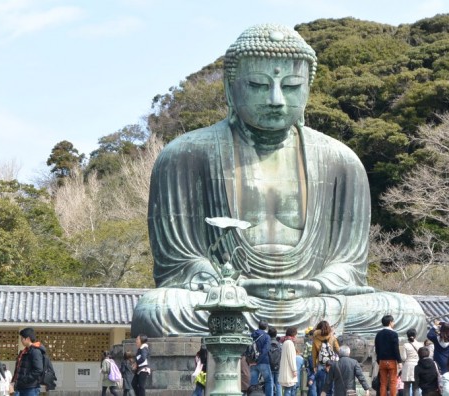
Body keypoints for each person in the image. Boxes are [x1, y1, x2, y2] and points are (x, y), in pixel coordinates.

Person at [130, 23, 427, 338]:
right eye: (258, 84)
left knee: (405, 312)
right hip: (229, 297)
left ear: (307, 90)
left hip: (313, 299)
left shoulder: (341, 161)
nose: (275, 99)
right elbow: (181, 261)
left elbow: (349, 265)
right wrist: (223, 282)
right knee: (159, 308)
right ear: (231, 88)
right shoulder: (184, 155)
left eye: (290, 86)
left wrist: (317, 284)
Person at [12, 327, 45, 396]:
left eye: (22, 338)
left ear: (28, 339)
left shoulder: (35, 351)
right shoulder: (24, 351)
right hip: (21, 387)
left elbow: (38, 370)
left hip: (30, 388)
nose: (21, 340)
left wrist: (25, 380)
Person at [376, 315, 402, 396]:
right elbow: (396, 349)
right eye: (393, 321)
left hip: (382, 361)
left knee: (383, 382)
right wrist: (399, 361)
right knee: (393, 382)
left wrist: (378, 360)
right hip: (391, 361)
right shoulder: (394, 334)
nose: (394, 323)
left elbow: (377, 348)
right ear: (390, 322)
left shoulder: (378, 334)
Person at [313, 321, 340, 396]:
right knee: (332, 387)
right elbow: (338, 350)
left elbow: (314, 354)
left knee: (320, 387)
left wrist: (314, 366)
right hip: (331, 365)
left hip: (321, 365)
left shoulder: (315, 338)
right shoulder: (332, 337)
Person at [250, 320, 274, 396]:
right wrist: (259, 360)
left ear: (258, 326)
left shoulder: (252, 335)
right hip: (263, 361)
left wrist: (253, 360)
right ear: (266, 327)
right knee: (268, 381)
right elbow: (265, 350)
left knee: (253, 383)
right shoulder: (267, 336)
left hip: (252, 361)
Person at [403, 328, 423, 396]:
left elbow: (404, 357)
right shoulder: (420, 345)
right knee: (416, 388)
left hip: (408, 367)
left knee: (406, 387)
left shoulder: (405, 345)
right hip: (417, 366)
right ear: (415, 335)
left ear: (407, 336)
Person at [279, 327, 298, 396]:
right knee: (288, 389)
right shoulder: (290, 343)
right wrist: (294, 370)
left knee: (288, 389)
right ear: (293, 334)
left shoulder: (285, 342)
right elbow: (291, 358)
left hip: (285, 370)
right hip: (289, 371)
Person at [268, 327, 282, 396]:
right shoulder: (279, 345)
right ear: (276, 334)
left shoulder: (267, 344)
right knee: (278, 385)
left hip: (269, 367)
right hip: (278, 367)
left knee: (270, 384)